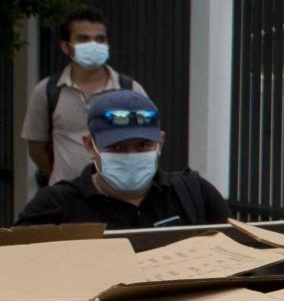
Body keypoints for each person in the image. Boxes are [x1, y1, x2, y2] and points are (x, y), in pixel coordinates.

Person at [16, 89, 232, 229]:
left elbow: (243, 265)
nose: (131, 156)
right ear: (90, 146)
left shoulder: (195, 195)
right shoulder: (53, 209)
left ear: (160, 143)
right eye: (116, 147)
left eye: (143, 146)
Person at [21, 7, 145, 189]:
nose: (93, 45)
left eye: (100, 39)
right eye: (83, 39)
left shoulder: (131, 91)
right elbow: (36, 148)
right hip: (66, 199)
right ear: (65, 46)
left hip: (117, 195)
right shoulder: (47, 91)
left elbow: (147, 144)